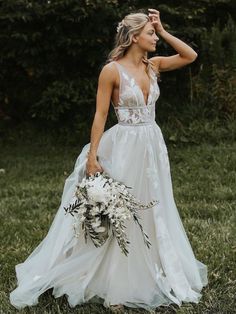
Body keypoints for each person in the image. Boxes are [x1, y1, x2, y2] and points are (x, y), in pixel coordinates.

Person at [10, 8, 208, 313]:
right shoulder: (111, 71)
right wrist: (92, 158)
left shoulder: (153, 65)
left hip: (151, 145)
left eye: (156, 34)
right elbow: (100, 115)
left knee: (152, 203)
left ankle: (152, 264)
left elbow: (190, 55)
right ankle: (116, 279)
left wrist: (164, 29)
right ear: (133, 37)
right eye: (151, 33)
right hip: (124, 145)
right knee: (120, 210)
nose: (155, 38)